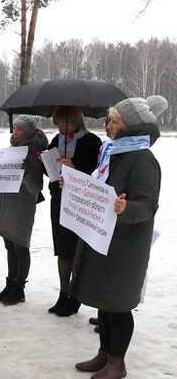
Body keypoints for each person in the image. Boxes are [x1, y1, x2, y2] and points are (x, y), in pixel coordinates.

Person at [72, 96, 165, 379]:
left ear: (130, 126)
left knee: (119, 305)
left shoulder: (144, 159)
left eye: (113, 121)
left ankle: (117, 362)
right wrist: (75, 183)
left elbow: (148, 205)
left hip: (125, 246)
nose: (107, 125)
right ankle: (103, 354)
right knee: (104, 301)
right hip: (102, 238)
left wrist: (127, 208)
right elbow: (98, 187)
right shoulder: (111, 151)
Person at [46, 106, 102, 316]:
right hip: (59, 200)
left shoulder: (92, 142)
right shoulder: (56, 140)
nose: (60, 127)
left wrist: (75, 166)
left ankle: (75, 295)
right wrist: (47, 163)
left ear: (75, 120)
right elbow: (49, 170)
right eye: (57, 123)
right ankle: (63, 293)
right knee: (62, 249)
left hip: (81, 203)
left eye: (63, 122)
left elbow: (98, 172)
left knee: (77, 250)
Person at [0, 115, 47, 306]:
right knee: (9, 245)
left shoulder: (36, 153)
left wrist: (25, 171)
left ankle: (19, 288)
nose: (16, 131)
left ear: (28, 131)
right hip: (6, 202)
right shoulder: (11, 150)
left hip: (22, 204)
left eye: (20, 129)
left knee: (20, 246)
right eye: (14, 128)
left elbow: (36, 185)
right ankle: (10, 283)